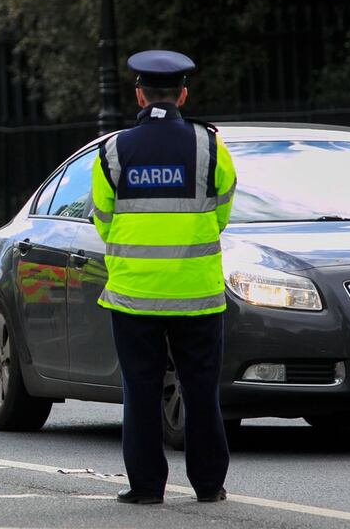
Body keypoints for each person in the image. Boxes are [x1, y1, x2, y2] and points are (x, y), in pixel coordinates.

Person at [90, 50, 237, 504]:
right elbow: (223, 213)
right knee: (200, 390)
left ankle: (147, 488)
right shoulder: (210, 147)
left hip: (134, 295)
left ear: (139, 93)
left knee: (141, 391)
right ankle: (209, 486)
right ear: (183, 94)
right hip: (196, 294)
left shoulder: (113, 150)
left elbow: (102, 218)